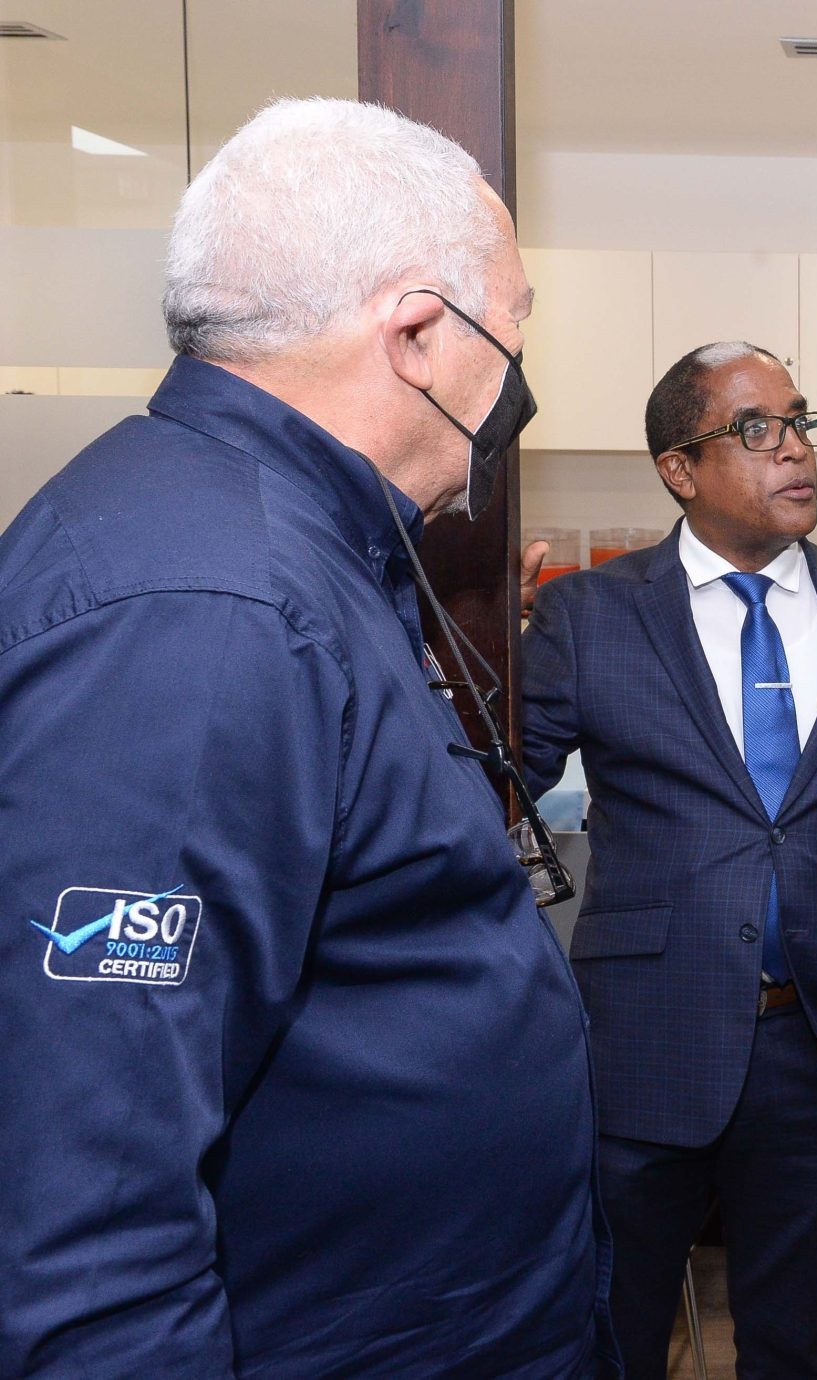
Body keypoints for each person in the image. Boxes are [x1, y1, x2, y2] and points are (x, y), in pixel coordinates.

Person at [0, 99, 607, 1377]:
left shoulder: (288, 550)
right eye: (511, 331)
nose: (516, 386)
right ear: (419, 334)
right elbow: (91, 1221)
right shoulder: (202, 609)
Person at [521, 341, 817, 1380]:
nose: (794, 451)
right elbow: (487, 790)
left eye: (800, 422)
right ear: (680, 469)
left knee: (789, 1341)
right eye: (754, 430)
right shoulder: (590, 616)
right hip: (642, 1042)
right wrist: (473, 644)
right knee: (616, 1336)